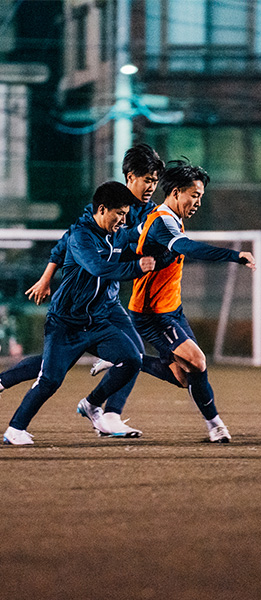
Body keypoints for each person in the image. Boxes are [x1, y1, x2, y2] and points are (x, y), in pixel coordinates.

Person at [0, 144, 165, 436]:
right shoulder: (94, 218)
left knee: (133, 356)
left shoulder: (148, 214)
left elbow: (143, 237)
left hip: (105, 305)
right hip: (74, 311)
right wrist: (47, 276)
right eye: (147, 179)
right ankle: (13, 412)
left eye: (156, 181)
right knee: (53, 371)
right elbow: (71, 248)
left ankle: (104, 411)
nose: (152, 186)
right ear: (130, 177)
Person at [128, 159, 256, 443]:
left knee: (183, 377)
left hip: (172, 309)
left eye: (201, 196)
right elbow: (188, 247)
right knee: (198, 361)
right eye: (194, 195)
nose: (198, 202)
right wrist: (234, 255)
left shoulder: (170, 217)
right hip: (152, 314)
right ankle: (216, 426)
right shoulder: (162, 223)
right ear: (175, 192)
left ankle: (127, 359)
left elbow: (133, 237)